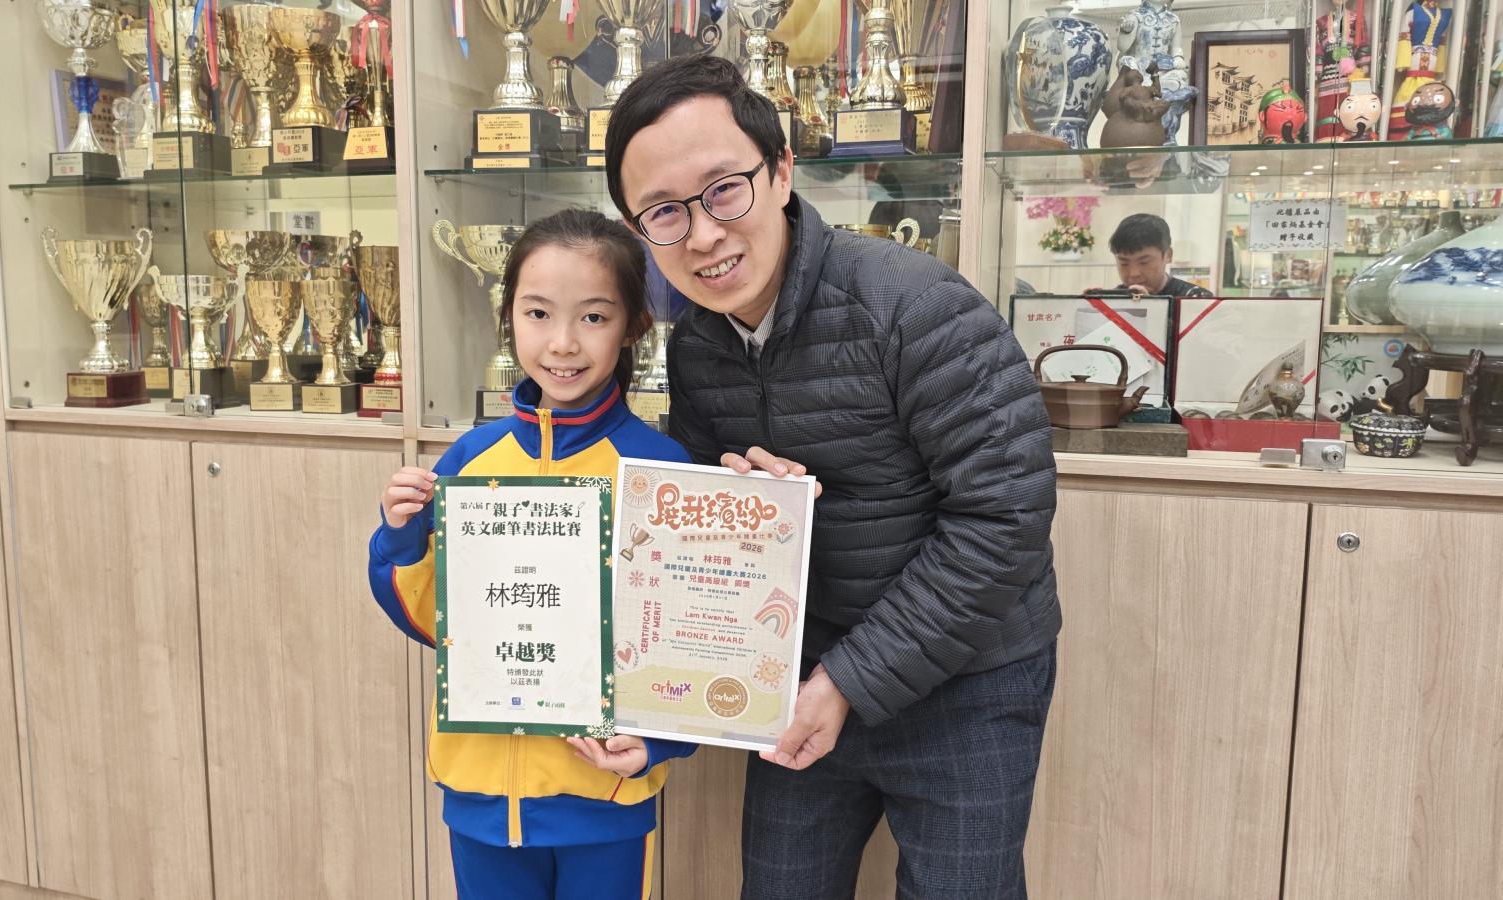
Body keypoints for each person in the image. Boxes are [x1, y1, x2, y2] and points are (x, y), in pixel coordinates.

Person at [605, 56, 1061, 898]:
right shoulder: (698, 343)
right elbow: (702, 548)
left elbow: (1006, 519)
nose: (702, 235)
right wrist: (736, 505)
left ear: (781, 172)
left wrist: (851, 679)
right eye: (664, 212)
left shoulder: (916, 305)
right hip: (802, 672)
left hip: (969, 677)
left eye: (724, 190)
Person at [367, 208, 695, 900]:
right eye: (538, 313)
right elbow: (435, 624)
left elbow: (692, 642)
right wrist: (402, 535)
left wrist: (659, 746)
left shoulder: (661, 474)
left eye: (594, 317)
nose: (563, 343)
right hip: (479, 795)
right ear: (508, 316)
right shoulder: (469, 461)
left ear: (634, 326)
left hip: (602, 798)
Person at [1110, 212, 1214, 297]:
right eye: (1124, 263)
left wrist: (1148, 306)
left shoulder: (1194, 298)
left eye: (1144, 262)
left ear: (1168, 255)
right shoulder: (1111, 300)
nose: (1134, 273)